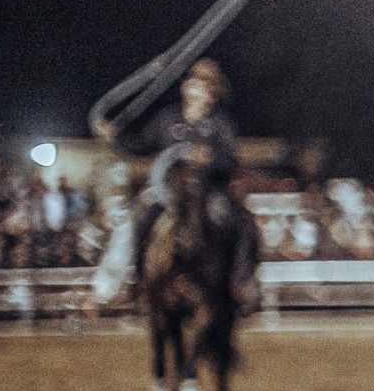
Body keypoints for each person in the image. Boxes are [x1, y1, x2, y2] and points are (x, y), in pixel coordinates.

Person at [92, 59, 260, 310]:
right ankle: (138, 281)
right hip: (167, 192)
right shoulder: (167, 119)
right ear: (185, 88)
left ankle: (238, 281)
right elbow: (141, 146)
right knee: (139, 218)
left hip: (208, 192)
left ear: (213, 94)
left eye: (204, 86)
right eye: (194, 83)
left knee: (238, 221)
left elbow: (230, 161)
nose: (196, 89)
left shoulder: (221, 125)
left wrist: (210, 157)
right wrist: (115, 138)